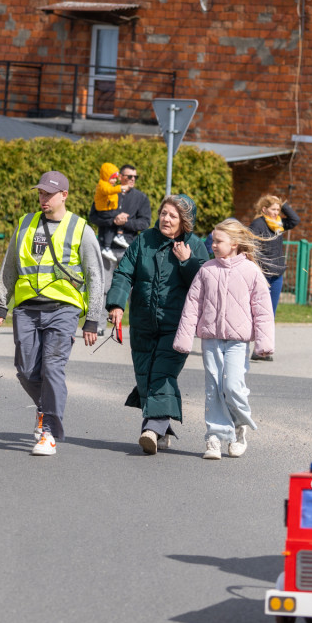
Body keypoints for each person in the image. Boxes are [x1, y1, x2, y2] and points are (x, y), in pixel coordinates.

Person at [0, 170, 104, 456]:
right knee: (26, 370)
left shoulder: (81, 229)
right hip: (27, 309)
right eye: (40, 193)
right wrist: (0, 304)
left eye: (49, 194)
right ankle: (45, 408)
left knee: (53, 368)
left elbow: (95, 275)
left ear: (64, 195)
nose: (43, 198)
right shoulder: (25, 224)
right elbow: (10, 267)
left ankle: (49, 432)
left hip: (63, 309)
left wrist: (93, 318)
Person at [106, 194, 208, 454]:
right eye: (164, 213)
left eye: (173, 215)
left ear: (184, 221)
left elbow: (205, 285)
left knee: (162, 375)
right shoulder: (144, 241)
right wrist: (116, 304)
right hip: (142, 324)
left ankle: (151, 428)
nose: (166, 218)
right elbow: (124, 272)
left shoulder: (195, 246)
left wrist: (187, 261)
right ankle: (164, 430)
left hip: (176, 327)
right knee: (145, 375)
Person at [173, 219, 274, 459]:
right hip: (211, 339)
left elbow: (262, 310)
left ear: (235, 244)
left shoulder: (251, 271)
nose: (213, 245)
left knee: (232, 386)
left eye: (219, 241)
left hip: (238, 341)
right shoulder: (206, 270)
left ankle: (239, 427)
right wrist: (185, 339)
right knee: (213, 388)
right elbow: (192, 307)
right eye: (213, 240)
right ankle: (215, 437)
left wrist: (264, 343)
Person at [247, 194, 299, 360]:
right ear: (264, 209)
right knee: (257, 312)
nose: (277, 212)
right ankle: (245, 346)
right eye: (273, 209)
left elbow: (295, 220)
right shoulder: (258, 224)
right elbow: (250, 246)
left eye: (278, 210)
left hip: (277, 274)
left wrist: (283, 204)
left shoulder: (278, 224)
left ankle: (262, 350)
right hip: (262, 273)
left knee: (271, 313)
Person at [92, 164, 151, 296]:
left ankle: (130, 317)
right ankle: (101, 317)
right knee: (103, 290)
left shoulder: (141, 198)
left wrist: (125, 222)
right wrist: (113, 220)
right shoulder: (106, 192)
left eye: (135, 176)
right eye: (129, 176)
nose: (132, 179)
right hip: (107, 250)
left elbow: (145, 223)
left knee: (133, 291)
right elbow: (94, 216)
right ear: (120, 177)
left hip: (128, 249)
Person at [93, 162, 126, 262]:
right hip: (105, 210)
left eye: (116, 178)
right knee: (118, 218)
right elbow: (108, 191)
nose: (115, 180)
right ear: (107, 176)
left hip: (107, 209)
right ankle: (118, 235)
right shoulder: (103, 184)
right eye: (113, 178)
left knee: (109, 226)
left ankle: (107, 245)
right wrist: (120, 188)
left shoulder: (108, 184)